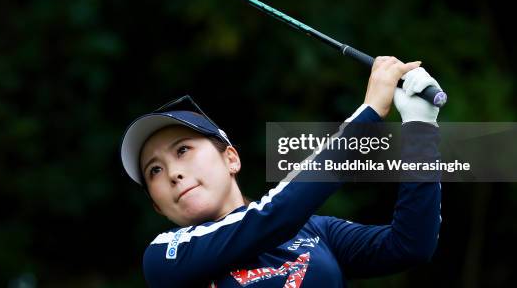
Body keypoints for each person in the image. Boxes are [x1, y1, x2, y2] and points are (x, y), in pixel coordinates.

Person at [120, 56, 443, 287]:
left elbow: (411, 245)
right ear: (157, 206)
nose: (173, 173)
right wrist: (369, 114)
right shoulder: (165, 256)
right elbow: (275, 216)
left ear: (231, 158)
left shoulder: (316, 232)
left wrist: (420, 131)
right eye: (155, 171)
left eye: (182, 150)